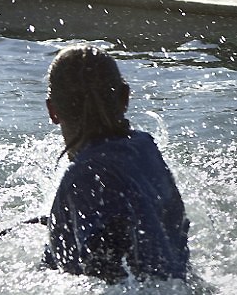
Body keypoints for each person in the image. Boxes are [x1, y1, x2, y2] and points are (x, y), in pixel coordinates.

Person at [43, 44, 189, 283]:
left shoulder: (88, 175)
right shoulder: (144, 148)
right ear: (124, 98)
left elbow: (109, 262)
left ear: (53, 111)